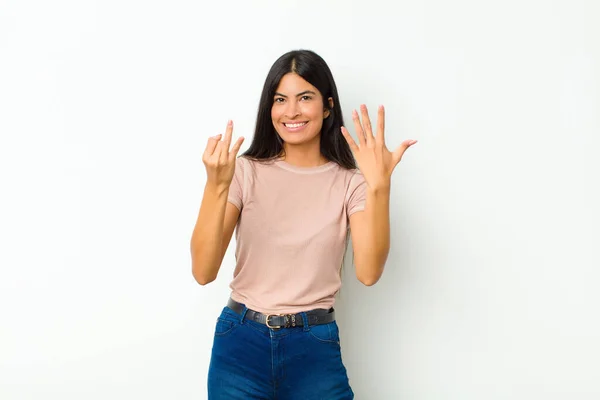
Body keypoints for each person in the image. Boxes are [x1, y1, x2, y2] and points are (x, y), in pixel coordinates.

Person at [190, 49, 416, 399]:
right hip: (240, 344)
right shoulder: (245, 172)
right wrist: (216, 186)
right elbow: (203, 271)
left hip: (314, 347)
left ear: (327, 107)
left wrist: (379, 187)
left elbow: (369, 273)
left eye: (304, 98)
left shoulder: (349, 182)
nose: (291, 111)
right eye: (280, 99)